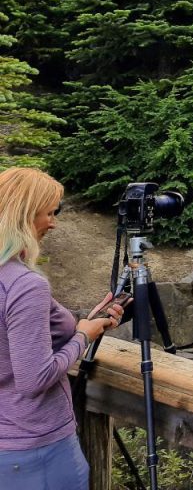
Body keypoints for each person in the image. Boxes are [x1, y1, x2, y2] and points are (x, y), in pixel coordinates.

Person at [0, 167, 125, 490]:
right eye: (50, 213)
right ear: (25, 215)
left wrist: (83, 321)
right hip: (35, 450)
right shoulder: (25, 285)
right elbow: (35, 378)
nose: (53, 223)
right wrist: (84, 336)